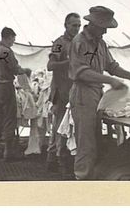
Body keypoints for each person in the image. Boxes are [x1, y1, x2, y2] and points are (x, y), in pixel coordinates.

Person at [68, 6, 130, 180]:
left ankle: (93, 177)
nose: (105, 31)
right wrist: (110, 80)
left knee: (95, 140)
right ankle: (81, 178)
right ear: (94, 24)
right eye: (104, 27)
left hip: (97, 93)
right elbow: (80, 72)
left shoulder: (100, 42)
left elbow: (111, 66)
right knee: (86, 143)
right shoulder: (79, 42)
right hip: (83, 94)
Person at [0, 27, 31, 162]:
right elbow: (14, 68)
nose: (13, 42)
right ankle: (8, 151)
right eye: (13, 39)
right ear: (8, 37)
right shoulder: (6, 51)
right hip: (6, 86)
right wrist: (26, 70)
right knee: (9, 118)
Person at [46, 13, 81, 178]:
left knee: (64, 127)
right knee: (61, 128)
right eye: (74, 25)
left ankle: (51, 159)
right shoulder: (59, 44)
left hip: (73, 92)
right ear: (66, 25)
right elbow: (50, 65)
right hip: (61, 92)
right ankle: (61, 162)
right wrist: (68, 63)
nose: (77, 28)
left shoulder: (79, 43)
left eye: (78, 25)